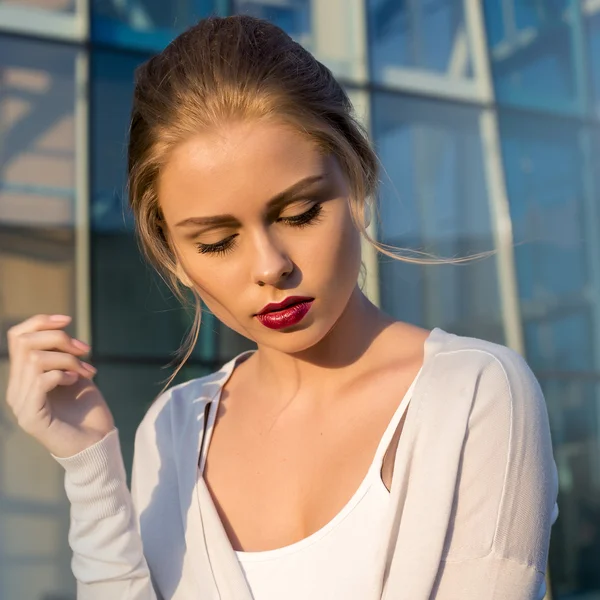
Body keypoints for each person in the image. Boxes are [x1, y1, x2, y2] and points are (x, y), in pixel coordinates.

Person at [4, 15, 558, 600]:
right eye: (216, 242)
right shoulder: (171, 428)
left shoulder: (473, 392)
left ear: (358, 184)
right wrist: (89, 466)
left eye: (299, 214)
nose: (270, 266)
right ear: (174, 257)